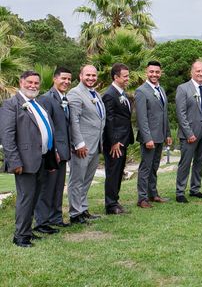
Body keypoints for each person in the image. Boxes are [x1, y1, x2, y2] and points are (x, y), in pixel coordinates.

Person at [0, 71, 58, 247]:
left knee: (34, 197)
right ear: (21, 82)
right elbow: (7, 136)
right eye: (30, 82)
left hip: (41, 158)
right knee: (26, 198)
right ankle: (20, 237)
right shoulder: (11, 104)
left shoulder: (37, 104)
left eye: (36, 83)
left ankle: (27, 230)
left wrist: (52, 150)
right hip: (24, 161)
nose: (33, 86)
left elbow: (45, 128)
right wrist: (14, 161)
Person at [34, 66, 73, 230]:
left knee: (58, 187)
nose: (66, 82)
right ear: (55, 79)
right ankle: (42, 221)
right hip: (53, 152)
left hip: (64, 151)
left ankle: (56, 218)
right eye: (63, 78)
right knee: (46, 188)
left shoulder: (64, 98)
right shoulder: (46, 98)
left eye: (69, 79)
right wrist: (53, 151)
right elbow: (47, 128)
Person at [67, 64, 106, 224]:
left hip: (95, 145)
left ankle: (83, 208)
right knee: (77, 180)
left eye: (94, 75)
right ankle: (75, 214)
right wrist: (79, 144)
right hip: (82, 146)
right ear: (80, 76)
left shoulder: (95, 94)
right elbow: (73, 121)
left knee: (87, 179)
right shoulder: (75, 94)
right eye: (88, 75)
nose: (91, 78)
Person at [175, 60, 202, 203]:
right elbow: (181, 113)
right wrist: (188, 133)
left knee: (199, 162)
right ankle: (180, 192)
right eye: (198, 71)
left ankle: (195, 189)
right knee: (185, 163)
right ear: (192, 72)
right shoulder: (183, 88)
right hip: (189, 134)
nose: (201, 73)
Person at [135, 61, 172, 208]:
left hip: (160, 136)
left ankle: (153, 194)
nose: (154, 74)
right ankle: (142, 198)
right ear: (146, 72)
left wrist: (168, 133)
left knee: (154, 167)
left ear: (160, 73)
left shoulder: (161, 90)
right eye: (151, 72)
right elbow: (142, 118)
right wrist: (147, 138)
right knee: (145, 167)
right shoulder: (141, 91)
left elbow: (164, 114)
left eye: (157, 72)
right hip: (149, 137)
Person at [101, 63, 134, 214]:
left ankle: (115, 200)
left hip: (123, 139)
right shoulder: (109, 94)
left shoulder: (121, 93)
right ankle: (110, 205)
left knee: (118, 171)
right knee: (113, 172)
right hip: (115, 142)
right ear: (116, 77)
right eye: (125, 76)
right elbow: (109, 120)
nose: (128, 78)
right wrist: (113, 142)